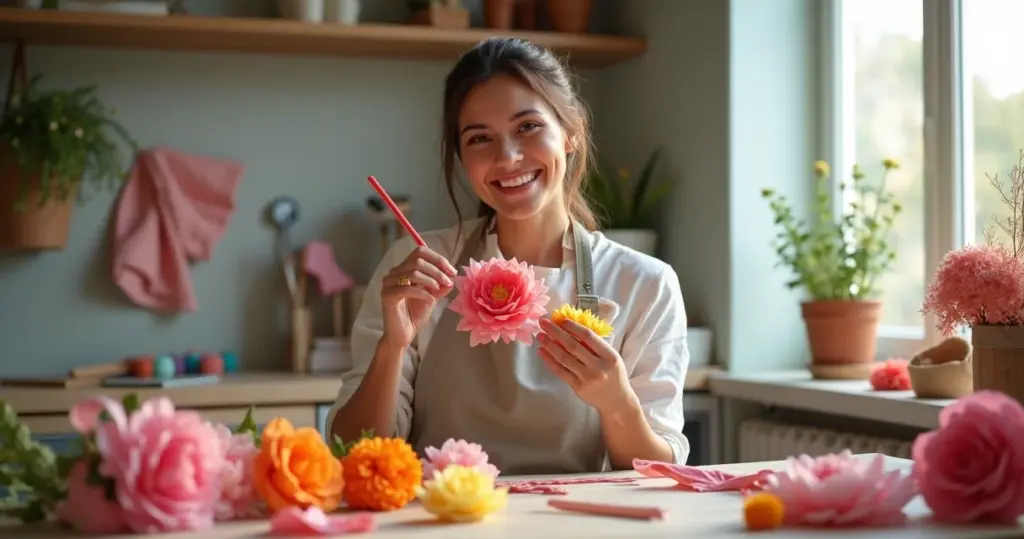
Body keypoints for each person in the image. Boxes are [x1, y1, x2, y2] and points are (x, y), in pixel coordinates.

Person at [328, 37, 691, 475]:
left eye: (528, 127)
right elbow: (352, 452)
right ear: (462, 158)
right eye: (480, 138)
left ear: (571, 133)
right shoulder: (418, 265)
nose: (508, 157)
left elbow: (655, 472)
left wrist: (618, 405)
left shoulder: (645, 283)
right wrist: (393, 345)